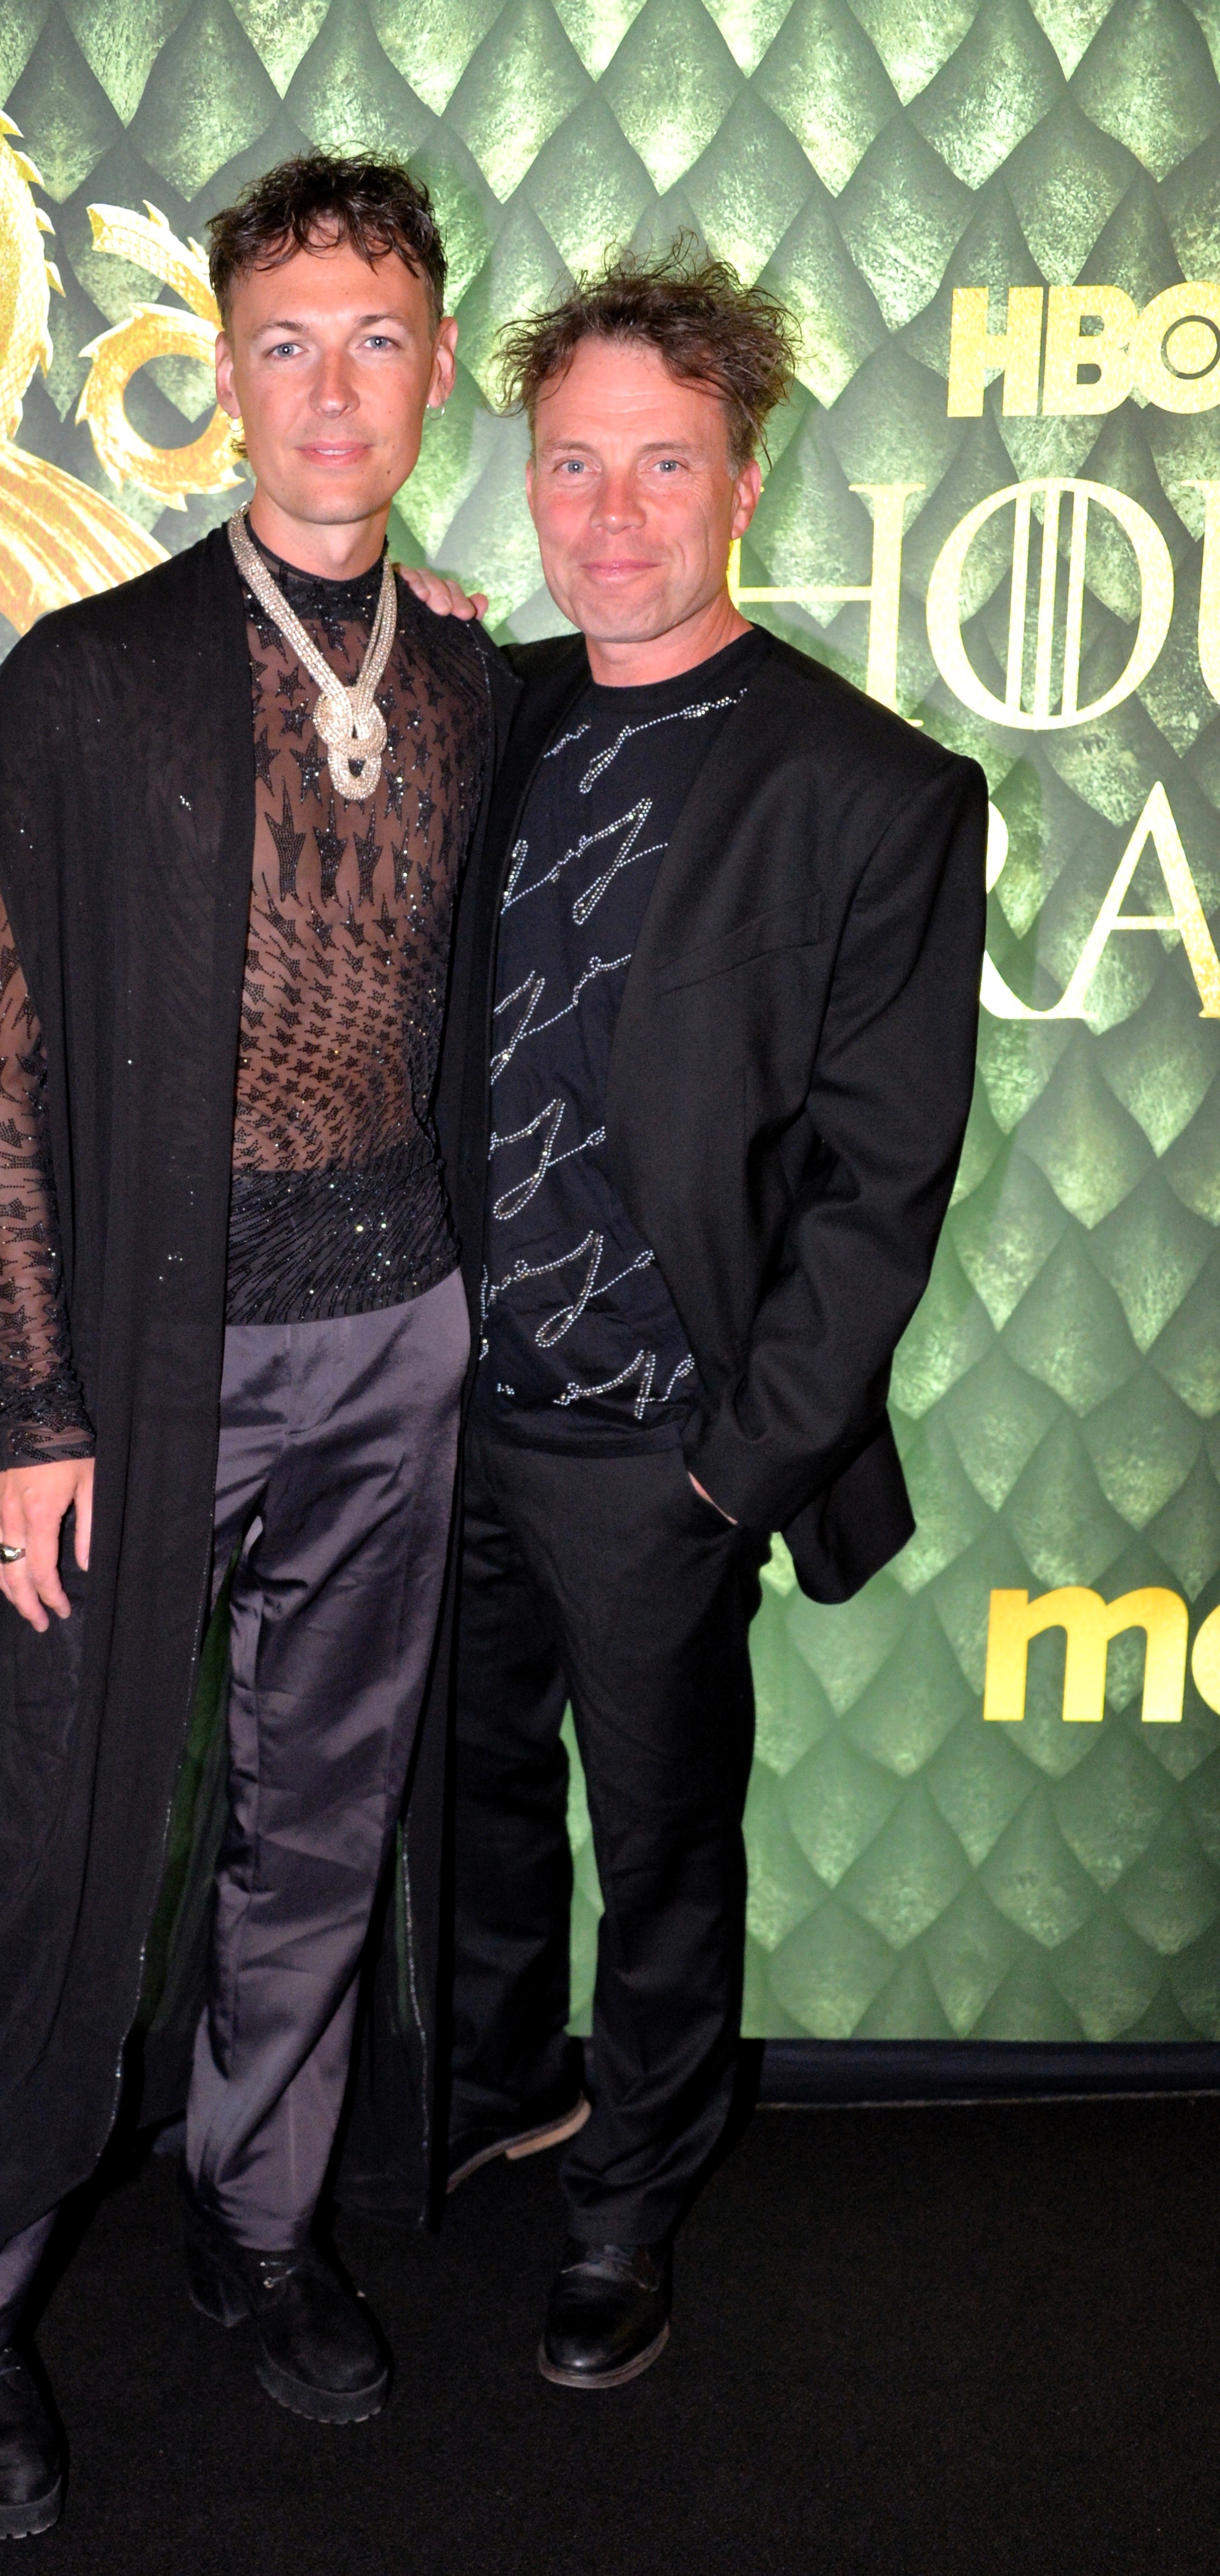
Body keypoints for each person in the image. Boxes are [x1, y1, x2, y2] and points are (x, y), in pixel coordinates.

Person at [0, 153, 510, 2537]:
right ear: (226, 373)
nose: (332, 389)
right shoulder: (92, 682)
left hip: (398, 1336)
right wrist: (36, 1406)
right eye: (286, 342)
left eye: (375, 340)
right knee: (61, 1836)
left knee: (321, 1825)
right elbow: (2, 1070)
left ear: (434, 369)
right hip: (144, 1366)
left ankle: (256, 2223)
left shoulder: (465, 675)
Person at [426, 245, 986, 2387]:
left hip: (658, 1446)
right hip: (438, 1417)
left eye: (663, 464)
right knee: (459, 1803)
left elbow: (878, 1185)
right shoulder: (489, 718)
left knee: (663, 1848)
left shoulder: (875, 790)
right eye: (574, 464)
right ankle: (493, 2095)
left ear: (745, 482)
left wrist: (729, 1472)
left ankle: (630, 2197)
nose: (612, 512)